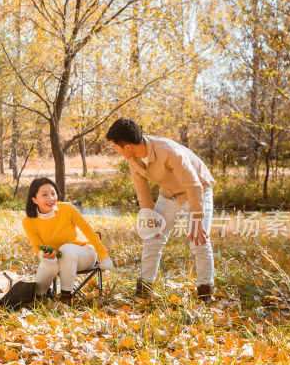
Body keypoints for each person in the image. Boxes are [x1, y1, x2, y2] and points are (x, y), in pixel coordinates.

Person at [105, 118, 216, 302]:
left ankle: (205, 292)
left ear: (128, 147)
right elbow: (142, 189)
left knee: (199, 240)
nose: (115, 150)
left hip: (197, 192)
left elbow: (194, 186)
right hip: (168, 194)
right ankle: (144, 289)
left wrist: (197, 219)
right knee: (152, 237)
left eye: (115, 146)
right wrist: (149, 216)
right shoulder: (133, 159)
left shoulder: (168, 152)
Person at [22, 177, 113, 304]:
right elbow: (38, 248)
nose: (51, 198)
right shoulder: (29, 222)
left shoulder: (67, 209)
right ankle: (38, 296)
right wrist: (45, 255)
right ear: (34, 199)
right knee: (49, 260)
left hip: (85, 254)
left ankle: (66, 298)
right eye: (44, 195)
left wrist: (103, 256)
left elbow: (88, 231)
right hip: (59, 257)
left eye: (53, 193)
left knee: (66, 249)